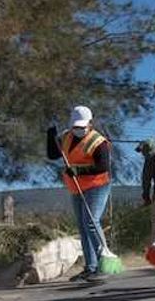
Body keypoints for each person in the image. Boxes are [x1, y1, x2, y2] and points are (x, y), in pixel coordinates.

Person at [47, 105, 114, 282]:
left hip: (97, 185)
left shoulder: (98, 141)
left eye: (82, 126)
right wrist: (50, 135)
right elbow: (53, 154)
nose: (79, 130)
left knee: (91, 222)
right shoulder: (66, 137)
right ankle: (91, 268)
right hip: (77, 187)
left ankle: (104, 265)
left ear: (90, 124)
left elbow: (103, 166)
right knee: (83, 226)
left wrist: (79, 170)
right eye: (76, 126)